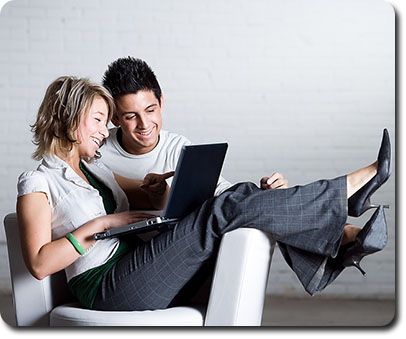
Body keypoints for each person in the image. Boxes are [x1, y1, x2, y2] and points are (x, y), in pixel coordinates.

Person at [17, 76, 390, 312]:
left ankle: (344, 236)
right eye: (97, 120)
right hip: (106, 287)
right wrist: (100, 225)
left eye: (104, 120)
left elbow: (149, 195)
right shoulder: (38, 181)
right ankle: (345, 199)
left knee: (238, 195)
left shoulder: (95, 168)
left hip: (136, 266)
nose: (103, 130)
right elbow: (39, 263)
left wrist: (158, 191)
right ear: (68, 117)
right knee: (222, 210)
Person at [99, 57, 288, 194]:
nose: (144, 124)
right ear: (114, 118)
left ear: (161, 102)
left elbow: (220, 191)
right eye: (131, 116)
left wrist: (264, 193)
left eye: (150, 110)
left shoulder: (177, 147)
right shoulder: (98, 149)